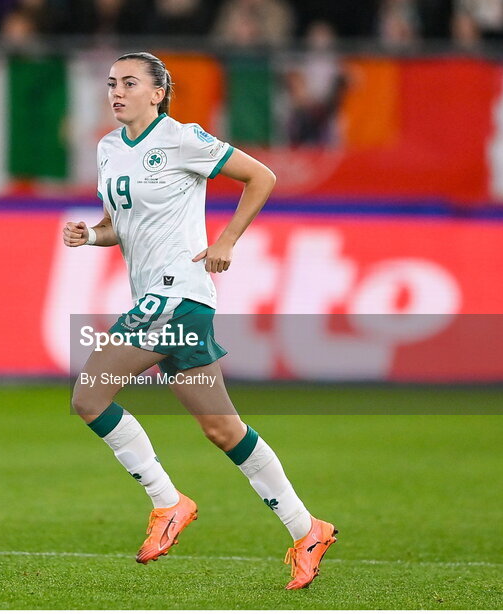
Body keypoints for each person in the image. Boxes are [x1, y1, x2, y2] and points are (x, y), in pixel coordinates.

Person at [61, 51, 337, 591]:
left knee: (88, 397)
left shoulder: (184, 140)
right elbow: (120, 223)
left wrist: (227, 239)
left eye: (130, 83)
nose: (116, 92)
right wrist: (90, 236)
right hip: (163, 299)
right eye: (112, 83)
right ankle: (307, 529)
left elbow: (261, 176)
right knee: (221, 427)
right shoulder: (109, 149)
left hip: (176, 295)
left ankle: (168, 502)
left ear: (157, 93)